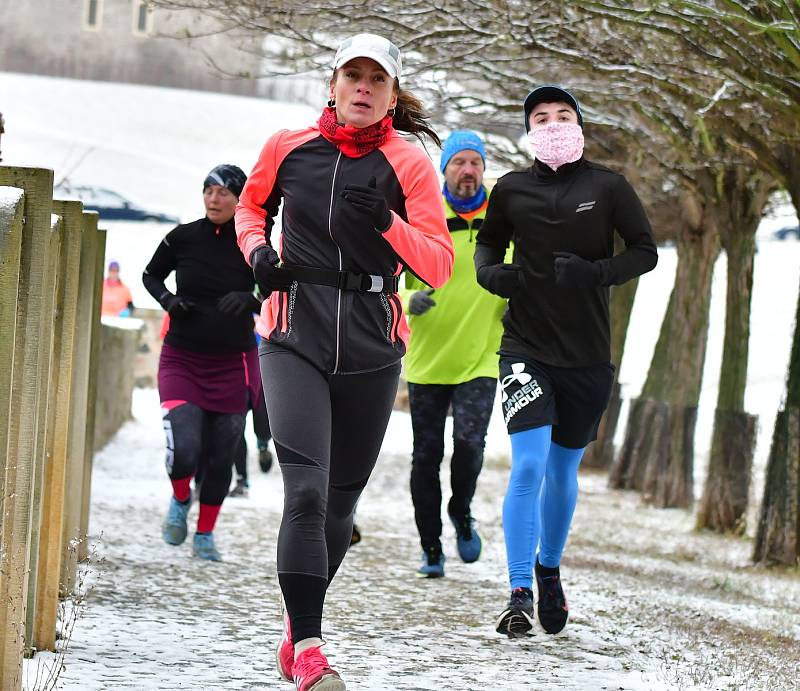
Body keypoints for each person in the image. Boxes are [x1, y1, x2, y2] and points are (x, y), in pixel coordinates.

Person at [235, 33, 453, 691]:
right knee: (303, 491)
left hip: (371, 349)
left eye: (375, 80)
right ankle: (308, 649)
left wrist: (388, 222)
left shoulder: (408, 163)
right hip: (291, 334)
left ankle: (297, 623)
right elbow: (251, 206)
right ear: (332, 83)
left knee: (337, 505)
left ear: (391, 94)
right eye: (352, 76)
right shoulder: (287, 147)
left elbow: (438, 264)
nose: (362, 88)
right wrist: (257, 254)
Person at [474, 85, 658, 637]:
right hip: (526, 347)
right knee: (528, 465)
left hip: (586, 354)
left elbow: (644, 251)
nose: (551, 123)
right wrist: (492, 275)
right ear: (528, 130)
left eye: (562, 115)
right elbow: (487, 247)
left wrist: (595, 273)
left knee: (562, 470)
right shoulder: (510, 188)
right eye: (540, 116)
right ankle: (518, 591)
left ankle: (548, 569)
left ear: (579, 123)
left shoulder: (608, 187)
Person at [402, 130, 509, 578]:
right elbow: (395, 274)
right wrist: (409, 301)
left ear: (484, 169)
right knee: (426, 456)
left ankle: (461, 510)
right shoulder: (425, 216)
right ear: (444, 169)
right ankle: (431, 547)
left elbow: (525, 273)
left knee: (469, 445)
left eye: (475, 163)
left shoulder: (505, 220)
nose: (467, 171)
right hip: (428, 358)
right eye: (458, 163)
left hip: (481, 356)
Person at [143, 163, 262, 562]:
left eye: (224, 192)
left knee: (221, 454)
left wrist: (251, 299)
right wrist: (169, 301)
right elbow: (150, 275)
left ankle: (205, 534)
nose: (214, 198)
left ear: (240, 198)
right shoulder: (182, 238)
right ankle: (180, 499)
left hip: (232, 362)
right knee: (185, 448)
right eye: (208, 190)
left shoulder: (253, 242)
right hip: (183, 358)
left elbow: (278, 285)